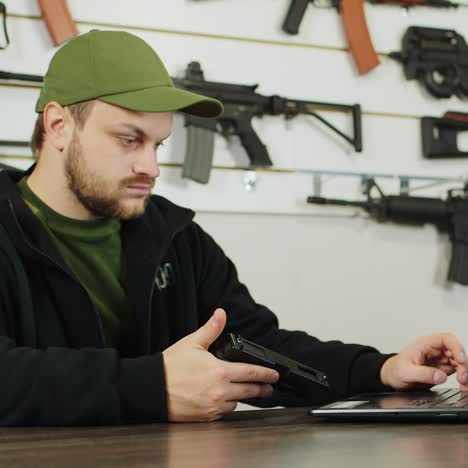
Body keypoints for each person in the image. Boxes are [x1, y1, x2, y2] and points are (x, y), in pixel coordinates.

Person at [0, 29, 466, 426]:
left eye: (158, 144)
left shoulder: (176, 237)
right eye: (128, 140)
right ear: (59, 126)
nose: (151, 166)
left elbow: (257, 346)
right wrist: (152, 387)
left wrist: (379, 370)